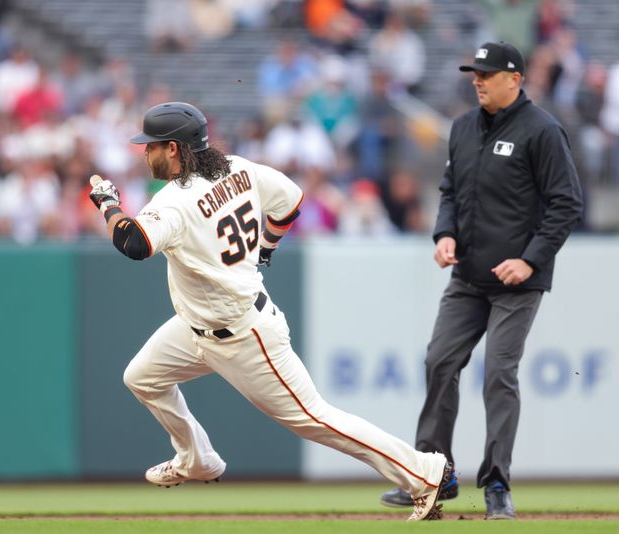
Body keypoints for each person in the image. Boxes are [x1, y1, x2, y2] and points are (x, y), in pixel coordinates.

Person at [88, 101, 452, 521]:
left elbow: (135, 245)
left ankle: (425, 472)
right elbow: (291, 202)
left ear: (172, 149)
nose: (144, 152)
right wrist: (267, 247)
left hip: (244, 333)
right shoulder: (237, 168)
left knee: (315, 418)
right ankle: (196, 459)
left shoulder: (172, 201)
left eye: (150, 145)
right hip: (196, 326)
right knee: (142, 377)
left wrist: (108, 204)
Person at [379, 41, 584, 519]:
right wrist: (444, 233)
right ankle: (433, 476)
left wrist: (531, 261)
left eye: (487, 74)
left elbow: (567, 203)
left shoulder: (543, 130)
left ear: (515, 79)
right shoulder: (463, 126)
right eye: (475, 73)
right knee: (438, 362)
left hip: (518, 282)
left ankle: (496, 484)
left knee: (498, 375)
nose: (478, 80)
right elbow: (450, 191)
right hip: (468, 275)